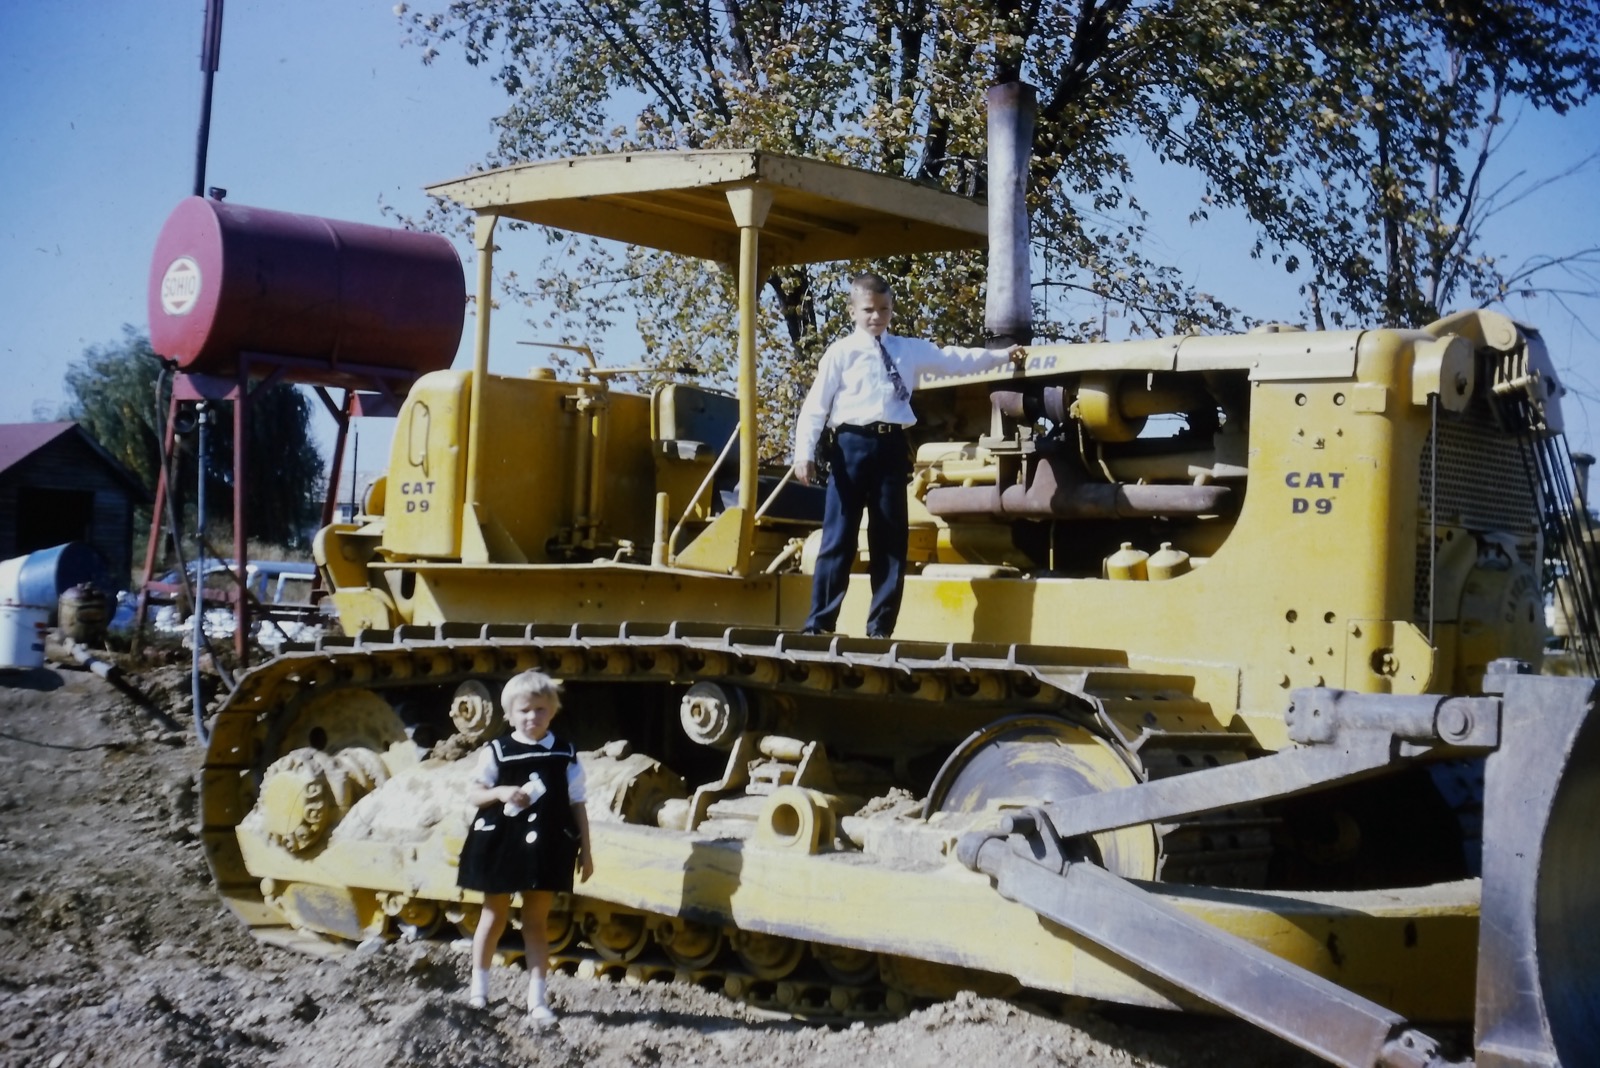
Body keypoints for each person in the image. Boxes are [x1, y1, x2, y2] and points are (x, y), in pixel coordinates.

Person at [791, 273, 1023, 637]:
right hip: (851, 445)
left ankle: (880, 627)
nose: (876, 317)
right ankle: (819, 624)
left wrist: (1001, 358)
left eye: (883, 309)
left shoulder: (907, 349)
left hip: (890, 446)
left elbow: (955, 360)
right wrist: (803, 453)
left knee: (891, 537)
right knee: (839, 536)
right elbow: (815, 407)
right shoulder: (841, 353)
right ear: (853, 311)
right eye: (868, 310)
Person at [457, 669, 594, 1024]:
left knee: (536, 921)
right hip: (502, 843)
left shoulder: (565, 753)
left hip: (548, 845)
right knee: (493, 915)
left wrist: (586, 850)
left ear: (552, 711)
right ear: (509, 714)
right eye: (524, 710)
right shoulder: (497, 751)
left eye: (540, 710)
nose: (532, 717)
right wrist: (500, 792)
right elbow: (474, 792)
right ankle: (479, 992)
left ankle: (537, 1000)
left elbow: (577, 802)